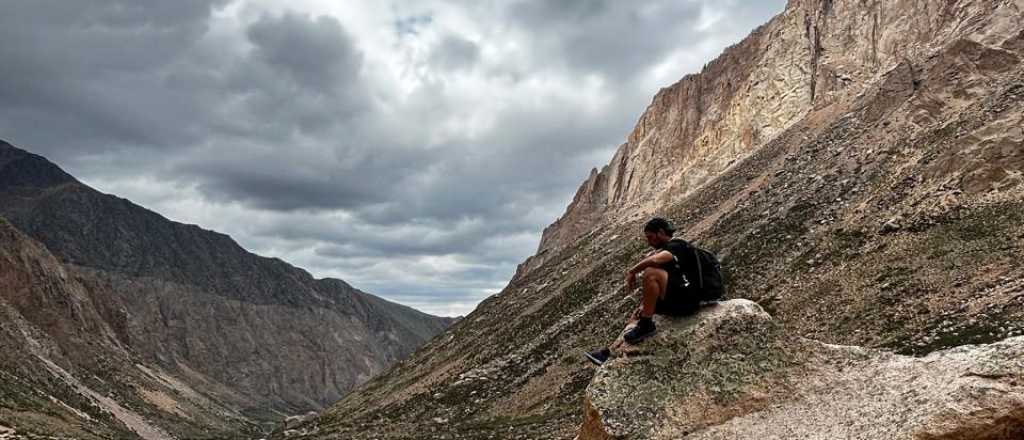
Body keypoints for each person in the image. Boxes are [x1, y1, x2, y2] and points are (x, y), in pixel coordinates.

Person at [585, 217, 701, 366]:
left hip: (688, 301)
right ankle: (610, 352)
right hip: (679, 298)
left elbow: (655, 260)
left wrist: (632, 272)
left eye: (650, 237)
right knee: (640, 311)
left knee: (651, 273)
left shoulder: (677, 245)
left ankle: (646, 325)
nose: (649, 242)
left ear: (660, 232)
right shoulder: (671, 250)